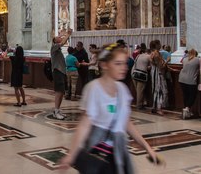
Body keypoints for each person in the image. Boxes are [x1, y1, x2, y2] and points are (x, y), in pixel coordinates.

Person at [59, 43, 160, 173]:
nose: (124, 67)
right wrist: (71, 155)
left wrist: (148, 148)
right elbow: (84, 125)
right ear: (104, 65)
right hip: (98, 153)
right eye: (118, 63)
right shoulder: (94, 89)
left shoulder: (123, 90)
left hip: (118, 153)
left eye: (124, 63)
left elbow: (126, 123)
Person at [50, 28, 72, 120]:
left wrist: (63, 34)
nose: (60, 38)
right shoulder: (54, 47)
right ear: (55, 41)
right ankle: (56, 110)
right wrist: (68, 34)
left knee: (62, 92)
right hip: (57, 71)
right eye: (58, 37)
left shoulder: (58, 50)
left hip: (62, 72)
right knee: (58, 92)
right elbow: (63, 42)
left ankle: (58, 109)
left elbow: (62, 41)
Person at [177, 49, 200, 119]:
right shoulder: (198, 60)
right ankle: (187, 108)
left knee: (185, 95)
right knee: (193, 95)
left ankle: (186, 110)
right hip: (191, 80)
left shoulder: (185, 59)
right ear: (196, 54)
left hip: (181, 79)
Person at [149, 40, 168, 116]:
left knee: (156, 90)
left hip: (154, 72)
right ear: (156, 45)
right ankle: (159, 108)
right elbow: (160, 66)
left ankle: (155, 107)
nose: (160, 45)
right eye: (159, 44)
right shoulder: (156, 54)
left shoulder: (152, 53)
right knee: (161, 90)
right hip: (158, 73)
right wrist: (167, 61)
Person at [131, 45, 151, 110]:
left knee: (138, 90)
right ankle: (139, 106)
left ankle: (142, 103)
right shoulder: (148, 56)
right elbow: (150, 66)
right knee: (140, 91)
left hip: (134, 73)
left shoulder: (138, 55)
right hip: (142, 75)